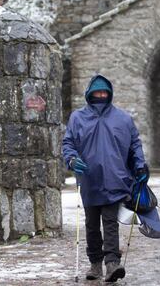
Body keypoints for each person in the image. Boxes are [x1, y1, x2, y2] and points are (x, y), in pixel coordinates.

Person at [62, 74, 149, 282]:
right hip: (89, 181)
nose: (100, 95)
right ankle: (95, 265)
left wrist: (139, 166)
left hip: (114, 179)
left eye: (104, 92)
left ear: (109, 94)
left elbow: (134, 145)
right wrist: (72, 160)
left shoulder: (123, 119)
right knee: (92, 224)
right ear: (89, 94)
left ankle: (112, 264)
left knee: (110, 222)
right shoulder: (77, 118)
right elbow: (68, 144)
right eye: (97, 92)